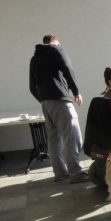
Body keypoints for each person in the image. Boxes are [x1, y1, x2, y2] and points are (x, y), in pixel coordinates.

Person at [29, 34, 89, 183]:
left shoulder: (34, 58)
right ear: (56, 43)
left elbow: (32, 86)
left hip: (45, 103)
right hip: (60, 100)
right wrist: (76, 91)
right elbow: (68, 69)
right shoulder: (56, 50)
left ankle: (60, 173)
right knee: (72, 137)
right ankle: (75, 174)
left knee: (54, 139)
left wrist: (43, 99)